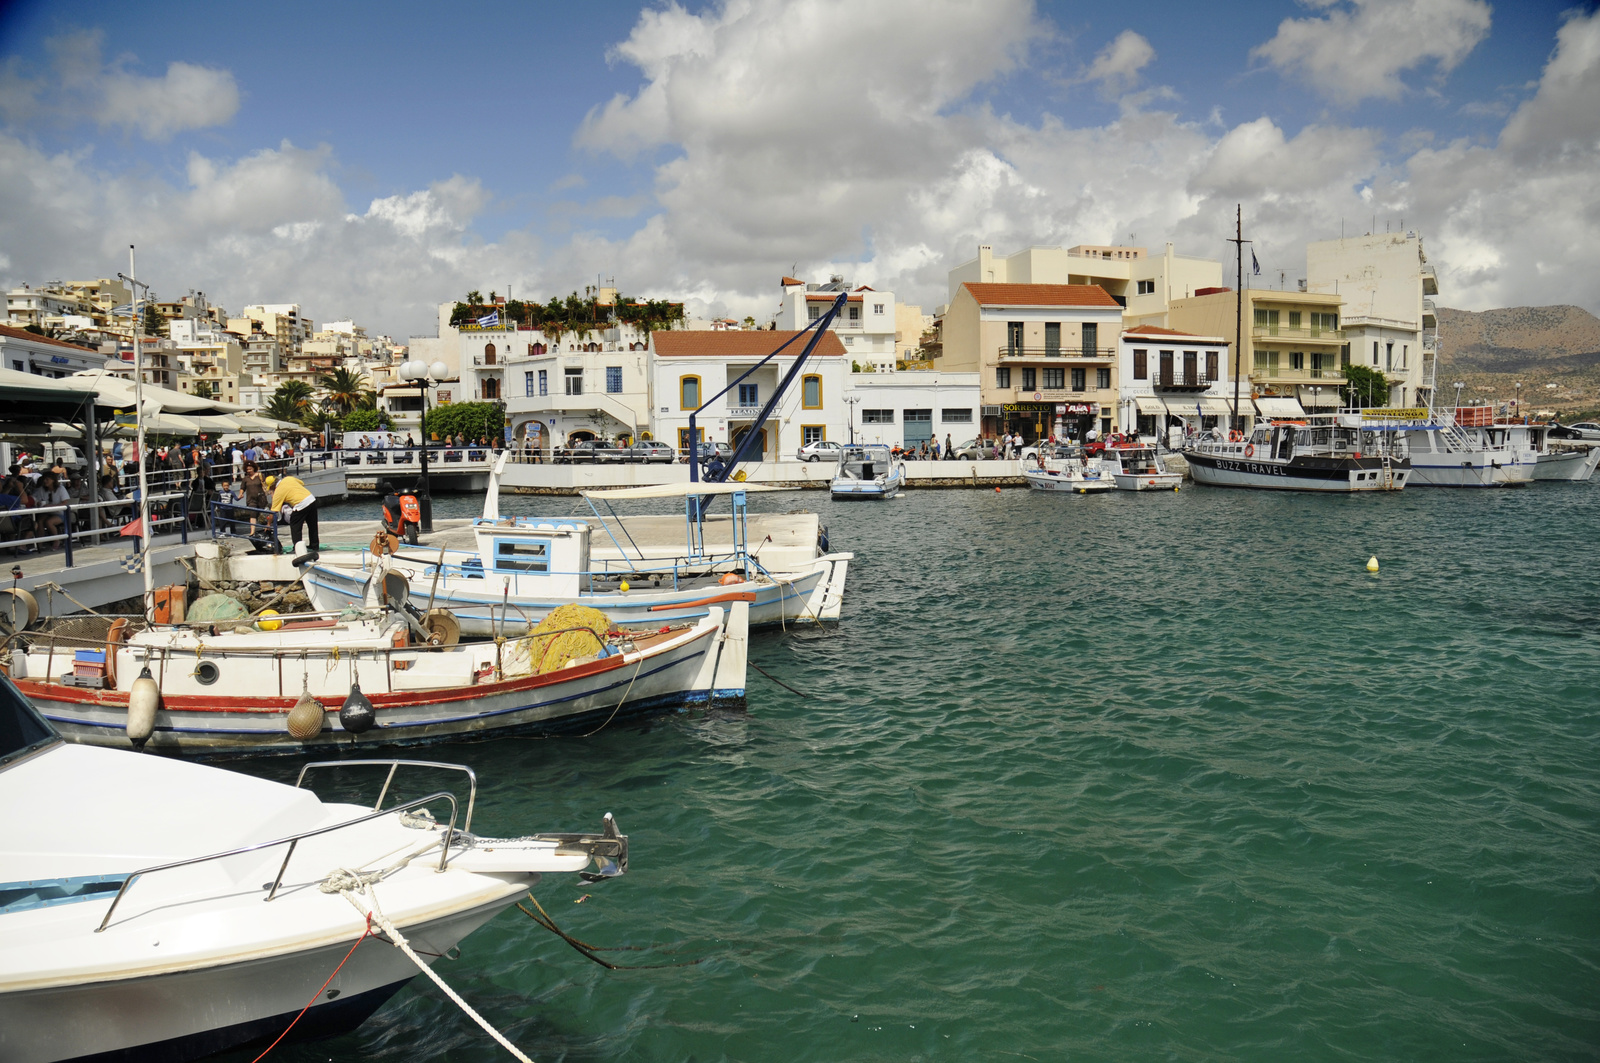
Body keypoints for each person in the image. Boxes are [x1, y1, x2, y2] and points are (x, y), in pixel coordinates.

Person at [267, 473, 320, 558]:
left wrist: (268, 524)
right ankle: (314, 546)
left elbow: (273, 511)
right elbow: (301, 483)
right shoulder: (288, 478)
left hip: (300, 504)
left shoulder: (278, 492)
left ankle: (297, 548)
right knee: (312, 525)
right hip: (311, 499)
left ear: (272, 486)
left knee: (295, 526)